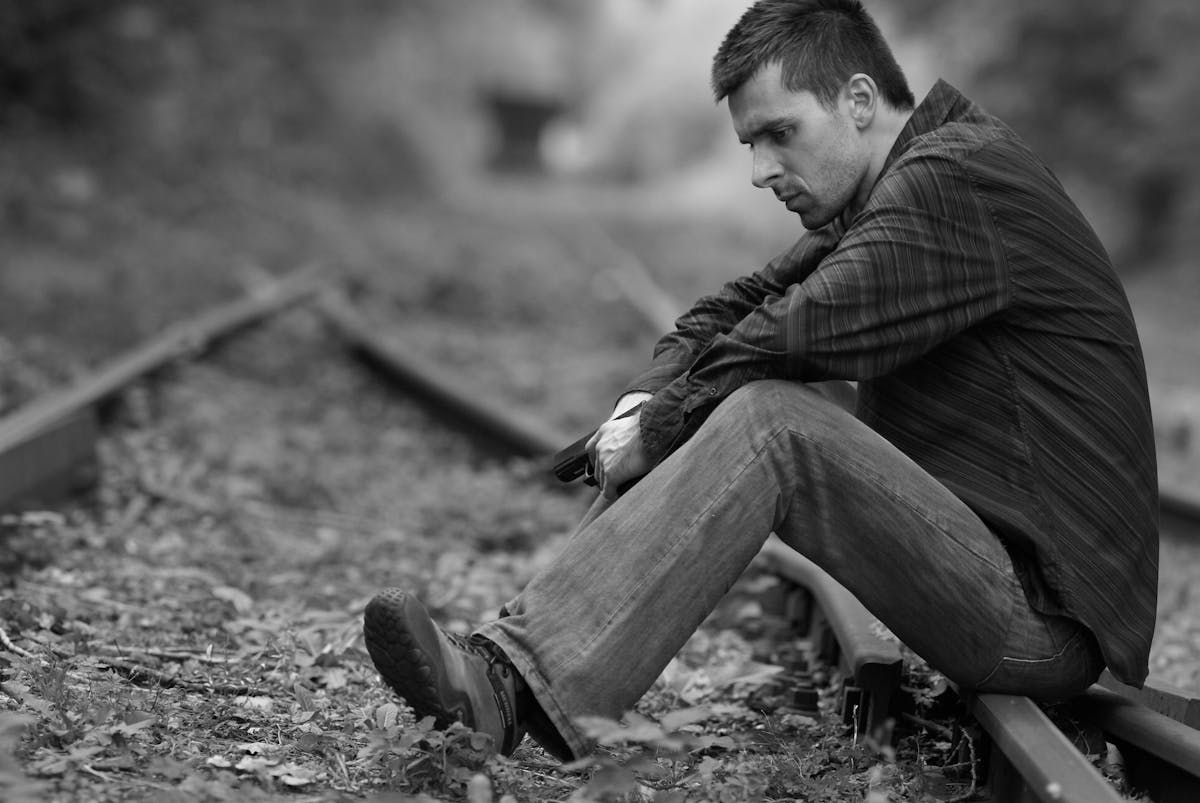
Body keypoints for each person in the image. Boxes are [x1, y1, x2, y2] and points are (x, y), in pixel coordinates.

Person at [363, 0, 1159, 761]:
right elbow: (732, 308)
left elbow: (798, 330)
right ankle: (508, 668)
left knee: (770, 419)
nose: (760, 169)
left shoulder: (957, 183)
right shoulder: (898, 184)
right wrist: (647, 402)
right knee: (716, 395)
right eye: (749, 143)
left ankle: (506, 684)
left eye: (780, 133)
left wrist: (659, 425)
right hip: (989, 568)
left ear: (855, 100)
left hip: (1044, 616)